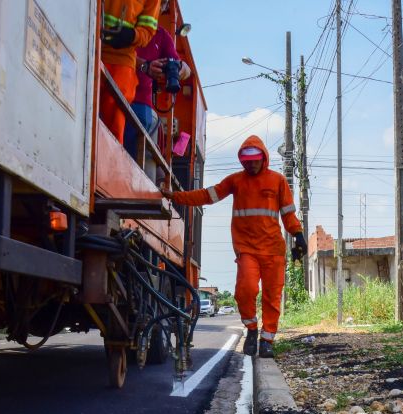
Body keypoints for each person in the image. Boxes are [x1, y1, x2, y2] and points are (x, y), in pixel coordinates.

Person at [160, 135, 307, 358]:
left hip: (273, 251)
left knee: (272, 297)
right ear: (241, 161)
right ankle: (251, 330)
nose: (251, 165)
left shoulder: (277, 181)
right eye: (246, 161)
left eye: (255, 160)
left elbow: (288, 214)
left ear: (263, 158)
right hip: (247, 249)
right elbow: (207, 195)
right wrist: (177, 197)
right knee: (245, 291)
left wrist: (298, 236)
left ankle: (267, 341)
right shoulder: (236, 181)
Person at [124, 1, 191, 159]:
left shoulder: (162, 36)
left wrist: (181, 68)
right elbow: (113, 51)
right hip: (114, 90)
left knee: (130, 155)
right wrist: (144, 66)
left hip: (140, 104)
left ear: (164, 8)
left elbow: (185, 70)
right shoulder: (123, 25)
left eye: (160, 3)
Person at [100, 0, 161, 144]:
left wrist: (131, 35)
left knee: (113, 130)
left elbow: (147, 31)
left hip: (120, 62)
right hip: (83, 39)